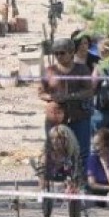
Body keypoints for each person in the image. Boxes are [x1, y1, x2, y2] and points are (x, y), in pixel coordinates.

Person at [39, 37, 93, 168]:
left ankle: (82, 184)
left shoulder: (82, 70)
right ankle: (57, 181)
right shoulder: (49, 71)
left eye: (62, 53)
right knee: (55, 150)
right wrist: (52, 97)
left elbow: (89, 91)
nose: (58, 56)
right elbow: (41, 92)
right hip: (55, 118)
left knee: (82, 152)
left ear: (71, 52)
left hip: (79, 116)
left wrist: (71, 96)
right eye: (56, 53)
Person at [37, 123, 83, 193]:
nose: (55, 141)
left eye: (59, 138)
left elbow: (76, 182)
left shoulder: (73, 157)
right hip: (49, 191)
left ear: (67, 139)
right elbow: (42, 183)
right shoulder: (46, 156)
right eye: (52, 138)